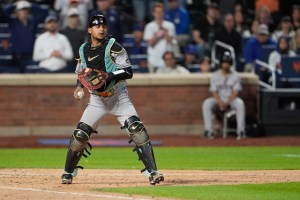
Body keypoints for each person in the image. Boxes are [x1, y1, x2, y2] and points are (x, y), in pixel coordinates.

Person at [61, 15, 164, 185]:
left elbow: (128, 71)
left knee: (136, 128)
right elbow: (82, 73)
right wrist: (79, 87)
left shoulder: (113, 46)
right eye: (97, 26)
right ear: (89, 30)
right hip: (96, 100)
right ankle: (68, 172)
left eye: (104, 26)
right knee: (80, 135)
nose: (101, 29)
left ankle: (152, 172)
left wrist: (108, 76)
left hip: (118, 96)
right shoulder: (83, 49)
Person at [202, 51, 245, 140]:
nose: (226, 64)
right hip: (219, 99)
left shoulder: (236, 75)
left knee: (240, 103)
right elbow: (214, 92)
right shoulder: (215, 75)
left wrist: (227, 102)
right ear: (221, 63)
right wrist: (220, 102)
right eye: (224, 62)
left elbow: (236, 92)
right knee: (206, 103)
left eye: (227, 62)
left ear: (231, 63)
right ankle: (208, 130)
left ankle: (241, 131)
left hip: (231, 99)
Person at [1, 0, 48, 73]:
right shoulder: (12, 22)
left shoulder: (32, 22)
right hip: (16, 59)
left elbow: (44, 12)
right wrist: (14, 4)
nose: (24, 12)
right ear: (17, 12)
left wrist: (31, 5)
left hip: (30, 58)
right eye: (22, 10)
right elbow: (3, 13)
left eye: (26, 10)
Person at [143, 2, 176, 73]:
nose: (159, 13)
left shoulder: (170, 25)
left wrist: (164, 31)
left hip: (167, 60)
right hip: (153, 59)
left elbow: (171, 41)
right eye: (157, 12)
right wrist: (159, 32)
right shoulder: (149, 26)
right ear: (153, 13)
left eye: (160, 11)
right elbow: (150, 43)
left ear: (163, 12)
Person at [60, 8, 85, 72]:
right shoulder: (62, 32)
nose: (74, 19)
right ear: (68, 18)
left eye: (76, 17)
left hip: (78, 61)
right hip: (66, 61)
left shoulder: (81, 32)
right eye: (72, 17)